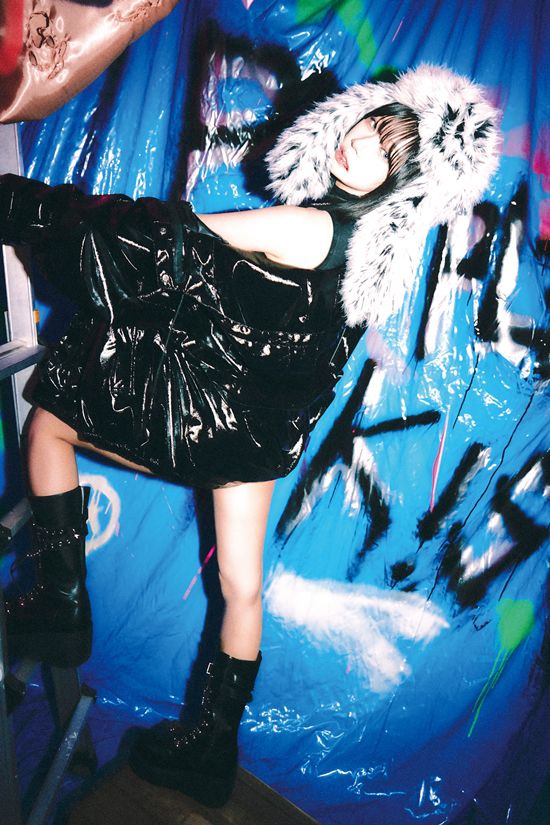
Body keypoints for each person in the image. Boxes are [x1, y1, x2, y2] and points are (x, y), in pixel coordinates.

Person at [0, 64, 499, 807]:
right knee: (241, 590)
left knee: (47, 423)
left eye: (384, 149)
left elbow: (164, 239)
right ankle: (211, 750)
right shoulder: (366, 264)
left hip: (211, 427)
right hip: (258, 446)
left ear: (401, 182)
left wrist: (22, 205)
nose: (357, 143)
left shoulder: (312, 226)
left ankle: (60, 601)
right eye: (365, 125)